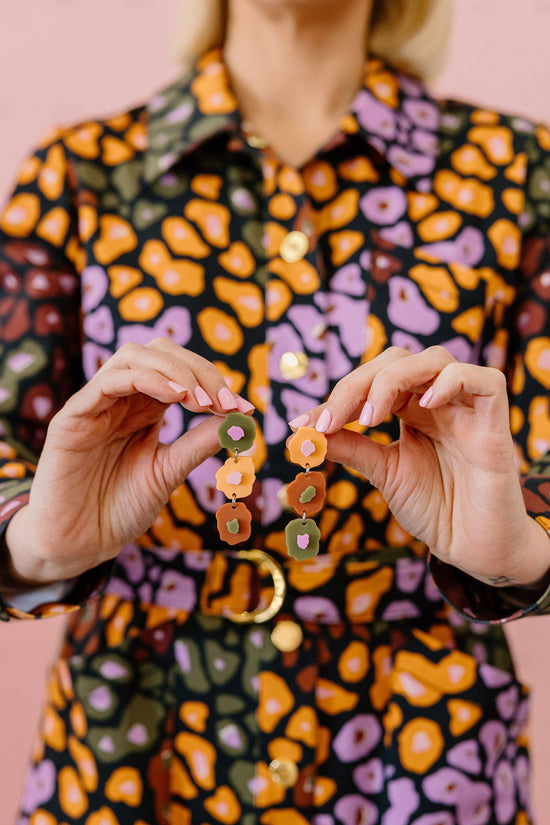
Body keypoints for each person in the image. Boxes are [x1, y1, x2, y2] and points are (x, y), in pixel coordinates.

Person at [1, 0, 550, 822]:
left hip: (430, 753)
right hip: (137, 745)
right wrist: (36, 543)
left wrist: (520, 553)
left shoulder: (520, 171)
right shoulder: (78, 173)